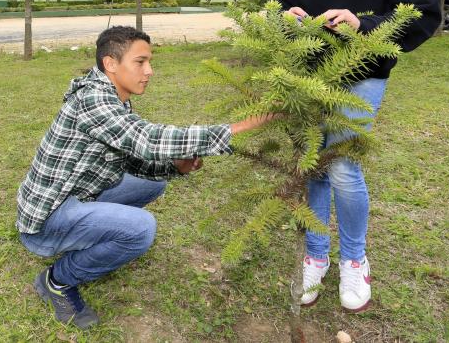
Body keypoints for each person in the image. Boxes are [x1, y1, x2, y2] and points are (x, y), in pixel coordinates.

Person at [17, 25, 278, 329]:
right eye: (140, 62)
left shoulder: (114, 97)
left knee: (153, 180)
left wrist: (173, 168)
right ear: (110, 64)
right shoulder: (93, 101)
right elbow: (148, 140)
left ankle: (97, 238)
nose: (149, 71)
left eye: (149, 62)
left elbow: (130, 158)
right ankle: (57, 280)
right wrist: (238, 128)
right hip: (47, 219)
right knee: (141, 230)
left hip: (77, 196)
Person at [272, 0, 441, 313]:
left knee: (344, 166)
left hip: (362, 74)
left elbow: (424, 13)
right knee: (312, 163)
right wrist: (286, 19)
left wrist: (363, 25)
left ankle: (353, 259)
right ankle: (316, 254)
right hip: (306, 75)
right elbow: (277, 3)